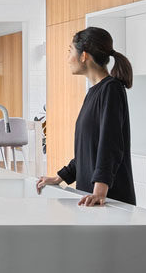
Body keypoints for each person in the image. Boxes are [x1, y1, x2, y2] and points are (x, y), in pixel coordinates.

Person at [36, 26, 135, 207]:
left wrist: (99, 191)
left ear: (84, 56)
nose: (67, 59)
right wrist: (60, 177)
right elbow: (87, 150)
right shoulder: (93, 93)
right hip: (91, 195)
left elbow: (110, 144)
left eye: (70, 51)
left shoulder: (111, 89)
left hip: (107, 198)